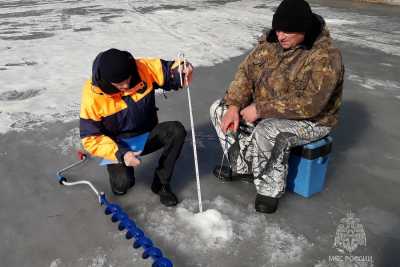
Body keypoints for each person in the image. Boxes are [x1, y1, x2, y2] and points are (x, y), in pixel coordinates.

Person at [210, 0, 344, 213]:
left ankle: (269, 189)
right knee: (220, 109)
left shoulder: (325, 56)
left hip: (314, 120)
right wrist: (235, 105)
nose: (281, 36)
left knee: (270, 129)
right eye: (278, 29)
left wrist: (260, 109)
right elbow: (245, 74)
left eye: (288, 32)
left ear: (304, 30)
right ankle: (244, 168)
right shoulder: (270, 44)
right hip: (269, 109)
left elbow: (311, 104)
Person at [80, 48, 193, 207]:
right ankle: (119, 176)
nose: (126, 85)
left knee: (176, 131)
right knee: (123, 185)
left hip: (146, 134)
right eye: (120, 83)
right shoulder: (93, 96)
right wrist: (122, 154)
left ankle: (160, 184)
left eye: (128, 79)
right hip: (118, 146)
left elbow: (168, 71)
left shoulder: (141, 68)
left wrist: (181, 71)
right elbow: (90, 138)